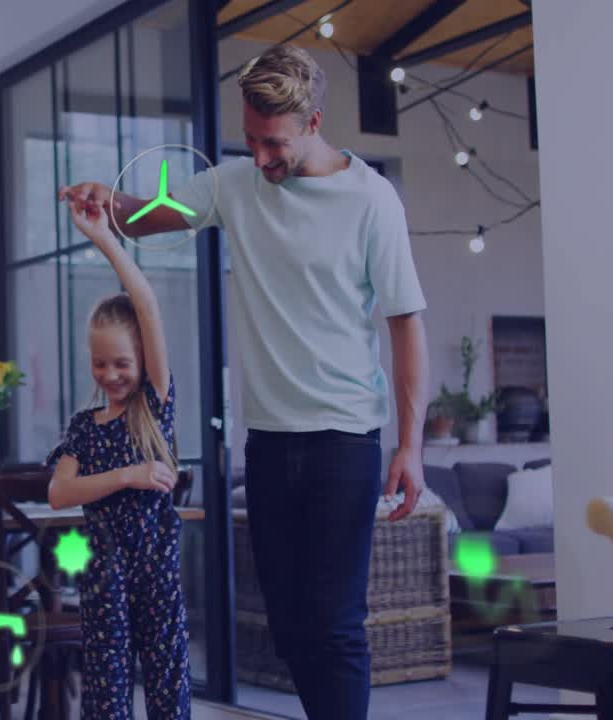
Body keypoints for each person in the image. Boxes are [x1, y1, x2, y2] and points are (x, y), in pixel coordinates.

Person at [58, 43, 430, 720]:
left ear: (313, 123)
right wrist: (109, 204)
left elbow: (407, 326)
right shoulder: (236, 185)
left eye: (274, 144)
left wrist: (411, 445)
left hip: (345, 439)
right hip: (268, 441)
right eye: (251, 140)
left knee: (333, 624)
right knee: (290, 629)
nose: (261, 158)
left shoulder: (371, 200)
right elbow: (152, 216)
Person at [45, 196, 191, 719]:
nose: (110, 374)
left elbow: (146, 303)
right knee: (106, 698)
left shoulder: (155, 405)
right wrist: (128, 474)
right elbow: (60, 494)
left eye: (122, 362)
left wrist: (104, 238)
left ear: (143, 361)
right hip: (103, 577)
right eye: (100, 363)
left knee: (168, 691)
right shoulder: (84, 429)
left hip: (157, 573)